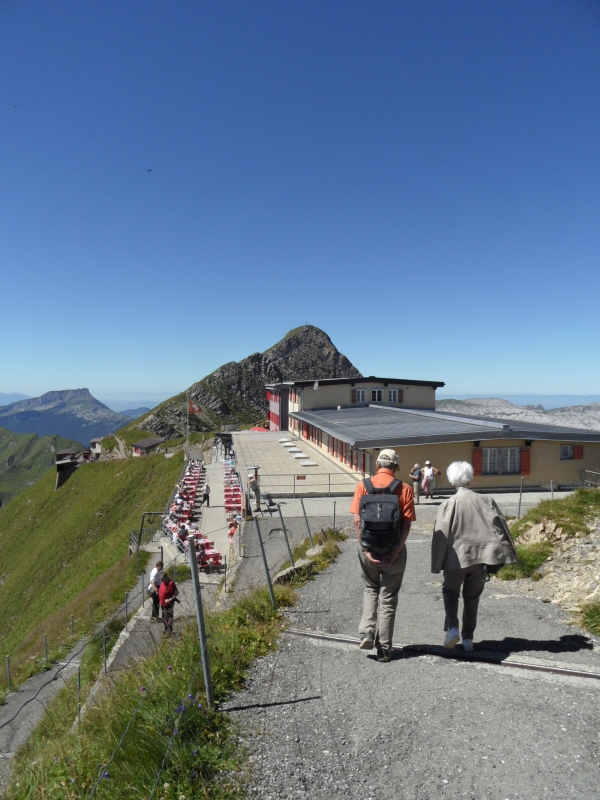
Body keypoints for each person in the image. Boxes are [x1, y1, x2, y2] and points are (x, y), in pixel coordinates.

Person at [432, 461, 518, 651]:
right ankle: (468, 638)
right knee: (472, 598)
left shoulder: (448, 504)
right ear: (469, 478)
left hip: (455, 559)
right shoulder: (486, 500)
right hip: (481, 558)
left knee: (450, 592)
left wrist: (437, 563)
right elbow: (500, 527)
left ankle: (452, 628)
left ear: (452, 480)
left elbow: (441, 535)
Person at [350, 448, 416, 663]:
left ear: (377, 465)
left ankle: (367, 632)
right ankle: (385, 650)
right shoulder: (405, 489)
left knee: (370, 588)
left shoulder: (363, 486)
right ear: (396, 467)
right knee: (388, 598)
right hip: (393, 549)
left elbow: (357, 522)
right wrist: (395, 552)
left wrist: (365, 550)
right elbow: (406, 526)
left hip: (369, 547)